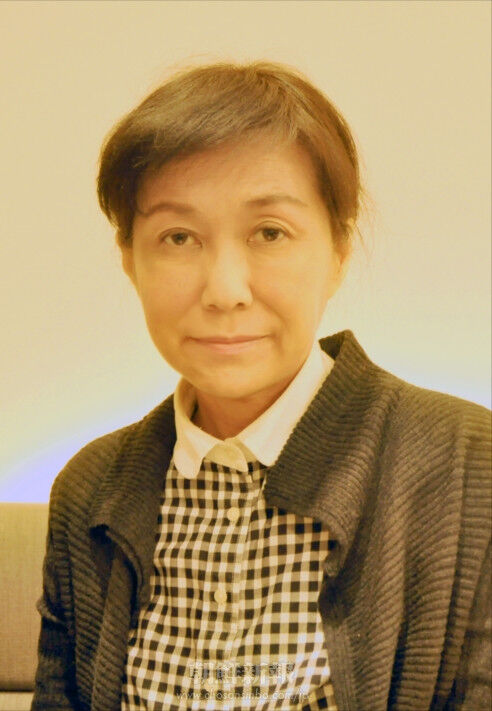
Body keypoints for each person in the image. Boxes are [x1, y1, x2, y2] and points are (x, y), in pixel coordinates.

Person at [32, 61, 490, 711]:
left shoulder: (467, 465)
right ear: (130, 259)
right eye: (178, 237)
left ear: (338, 249)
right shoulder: (90, 489)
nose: (225, 291)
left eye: (269, 233)